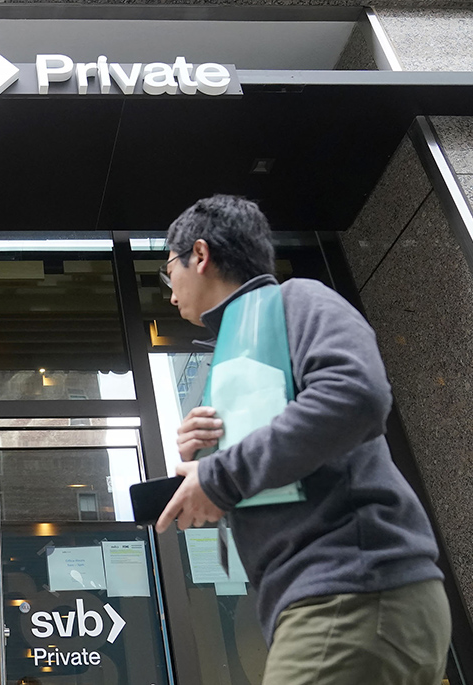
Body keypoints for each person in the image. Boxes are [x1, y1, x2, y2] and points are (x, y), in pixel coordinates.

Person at [152, 195, 450, 684]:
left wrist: (221, 475)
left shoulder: (297, 301)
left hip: (352, 590)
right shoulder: (238, 351)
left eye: (169, 271)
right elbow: (284, 468)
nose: (170, 293)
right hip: (335, 598)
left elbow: (356, 395)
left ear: (200, 255)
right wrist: (203, 460)